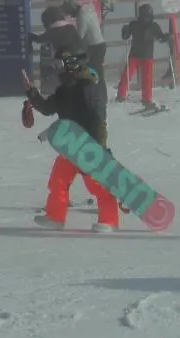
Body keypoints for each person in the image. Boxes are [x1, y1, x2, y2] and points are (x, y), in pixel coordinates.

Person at [28, 49, 119, 232]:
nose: (54, 72)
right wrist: (32, 94)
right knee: (58, 180)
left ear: (68, 67)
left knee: (97, 184)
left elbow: (97, 117)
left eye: (57, 67)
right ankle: (55, 217)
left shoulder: (87, 88)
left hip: (88, 144)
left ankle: (109, 220)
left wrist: (99, 146)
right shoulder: (63, 91)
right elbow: (48, 108)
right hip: (70, 144)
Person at [117, 3, 169, 107]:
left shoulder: (154, 26)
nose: (146, 18)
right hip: (135, 54)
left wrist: (166, 37)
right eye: (144, 16)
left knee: (147, 78)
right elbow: (125, 36)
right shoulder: (134, 24)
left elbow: (160, 37)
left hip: (146, 55)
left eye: (147, 16)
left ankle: (146, 98)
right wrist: (125, 30)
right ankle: (121, 95)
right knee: (127, 75)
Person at [62, 0, 108, 116]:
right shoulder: (88, 10)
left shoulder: (81, 16)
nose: (70, 16)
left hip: (94, 47)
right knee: (97, 72)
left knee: (96, 72)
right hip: (99, 44)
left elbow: (80, 36)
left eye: (69, 14)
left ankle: (100, 98)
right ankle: (99, 96)